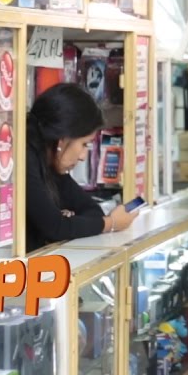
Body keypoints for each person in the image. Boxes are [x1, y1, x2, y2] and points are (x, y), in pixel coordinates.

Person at [25, 83, 138, 253]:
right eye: (84, 144)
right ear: (62, 138)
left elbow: (92, 210)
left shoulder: (52, 164)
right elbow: (56, 228)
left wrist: (72, 222)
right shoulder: (26, 161)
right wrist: (111, 223)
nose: (83, 156)